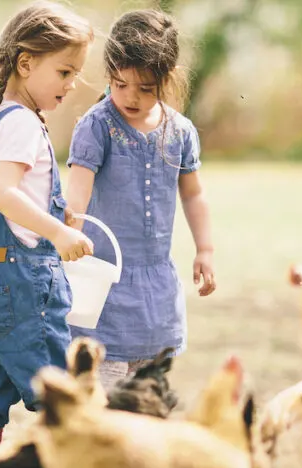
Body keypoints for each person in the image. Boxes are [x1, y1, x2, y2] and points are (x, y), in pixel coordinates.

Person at [0, 1, 94, 466]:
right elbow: (3, 194)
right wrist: (56, 232)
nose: (72, 84)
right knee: (60, 391)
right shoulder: (21, 125)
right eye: (65, 71)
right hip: (21, 285)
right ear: (26, 63)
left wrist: (54, 216)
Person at [65, 9, 216, 389]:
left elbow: (194, 194)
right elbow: (77, 192)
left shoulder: (180, 131)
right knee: (107, 392)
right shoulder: (97, 126)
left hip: (157, 288)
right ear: (109, 74)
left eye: (145, 88)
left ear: (167, 79)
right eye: (120, 84)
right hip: (104, 284)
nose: (131, 97)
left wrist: (205, 249)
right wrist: (69, 236)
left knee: (150, 393)